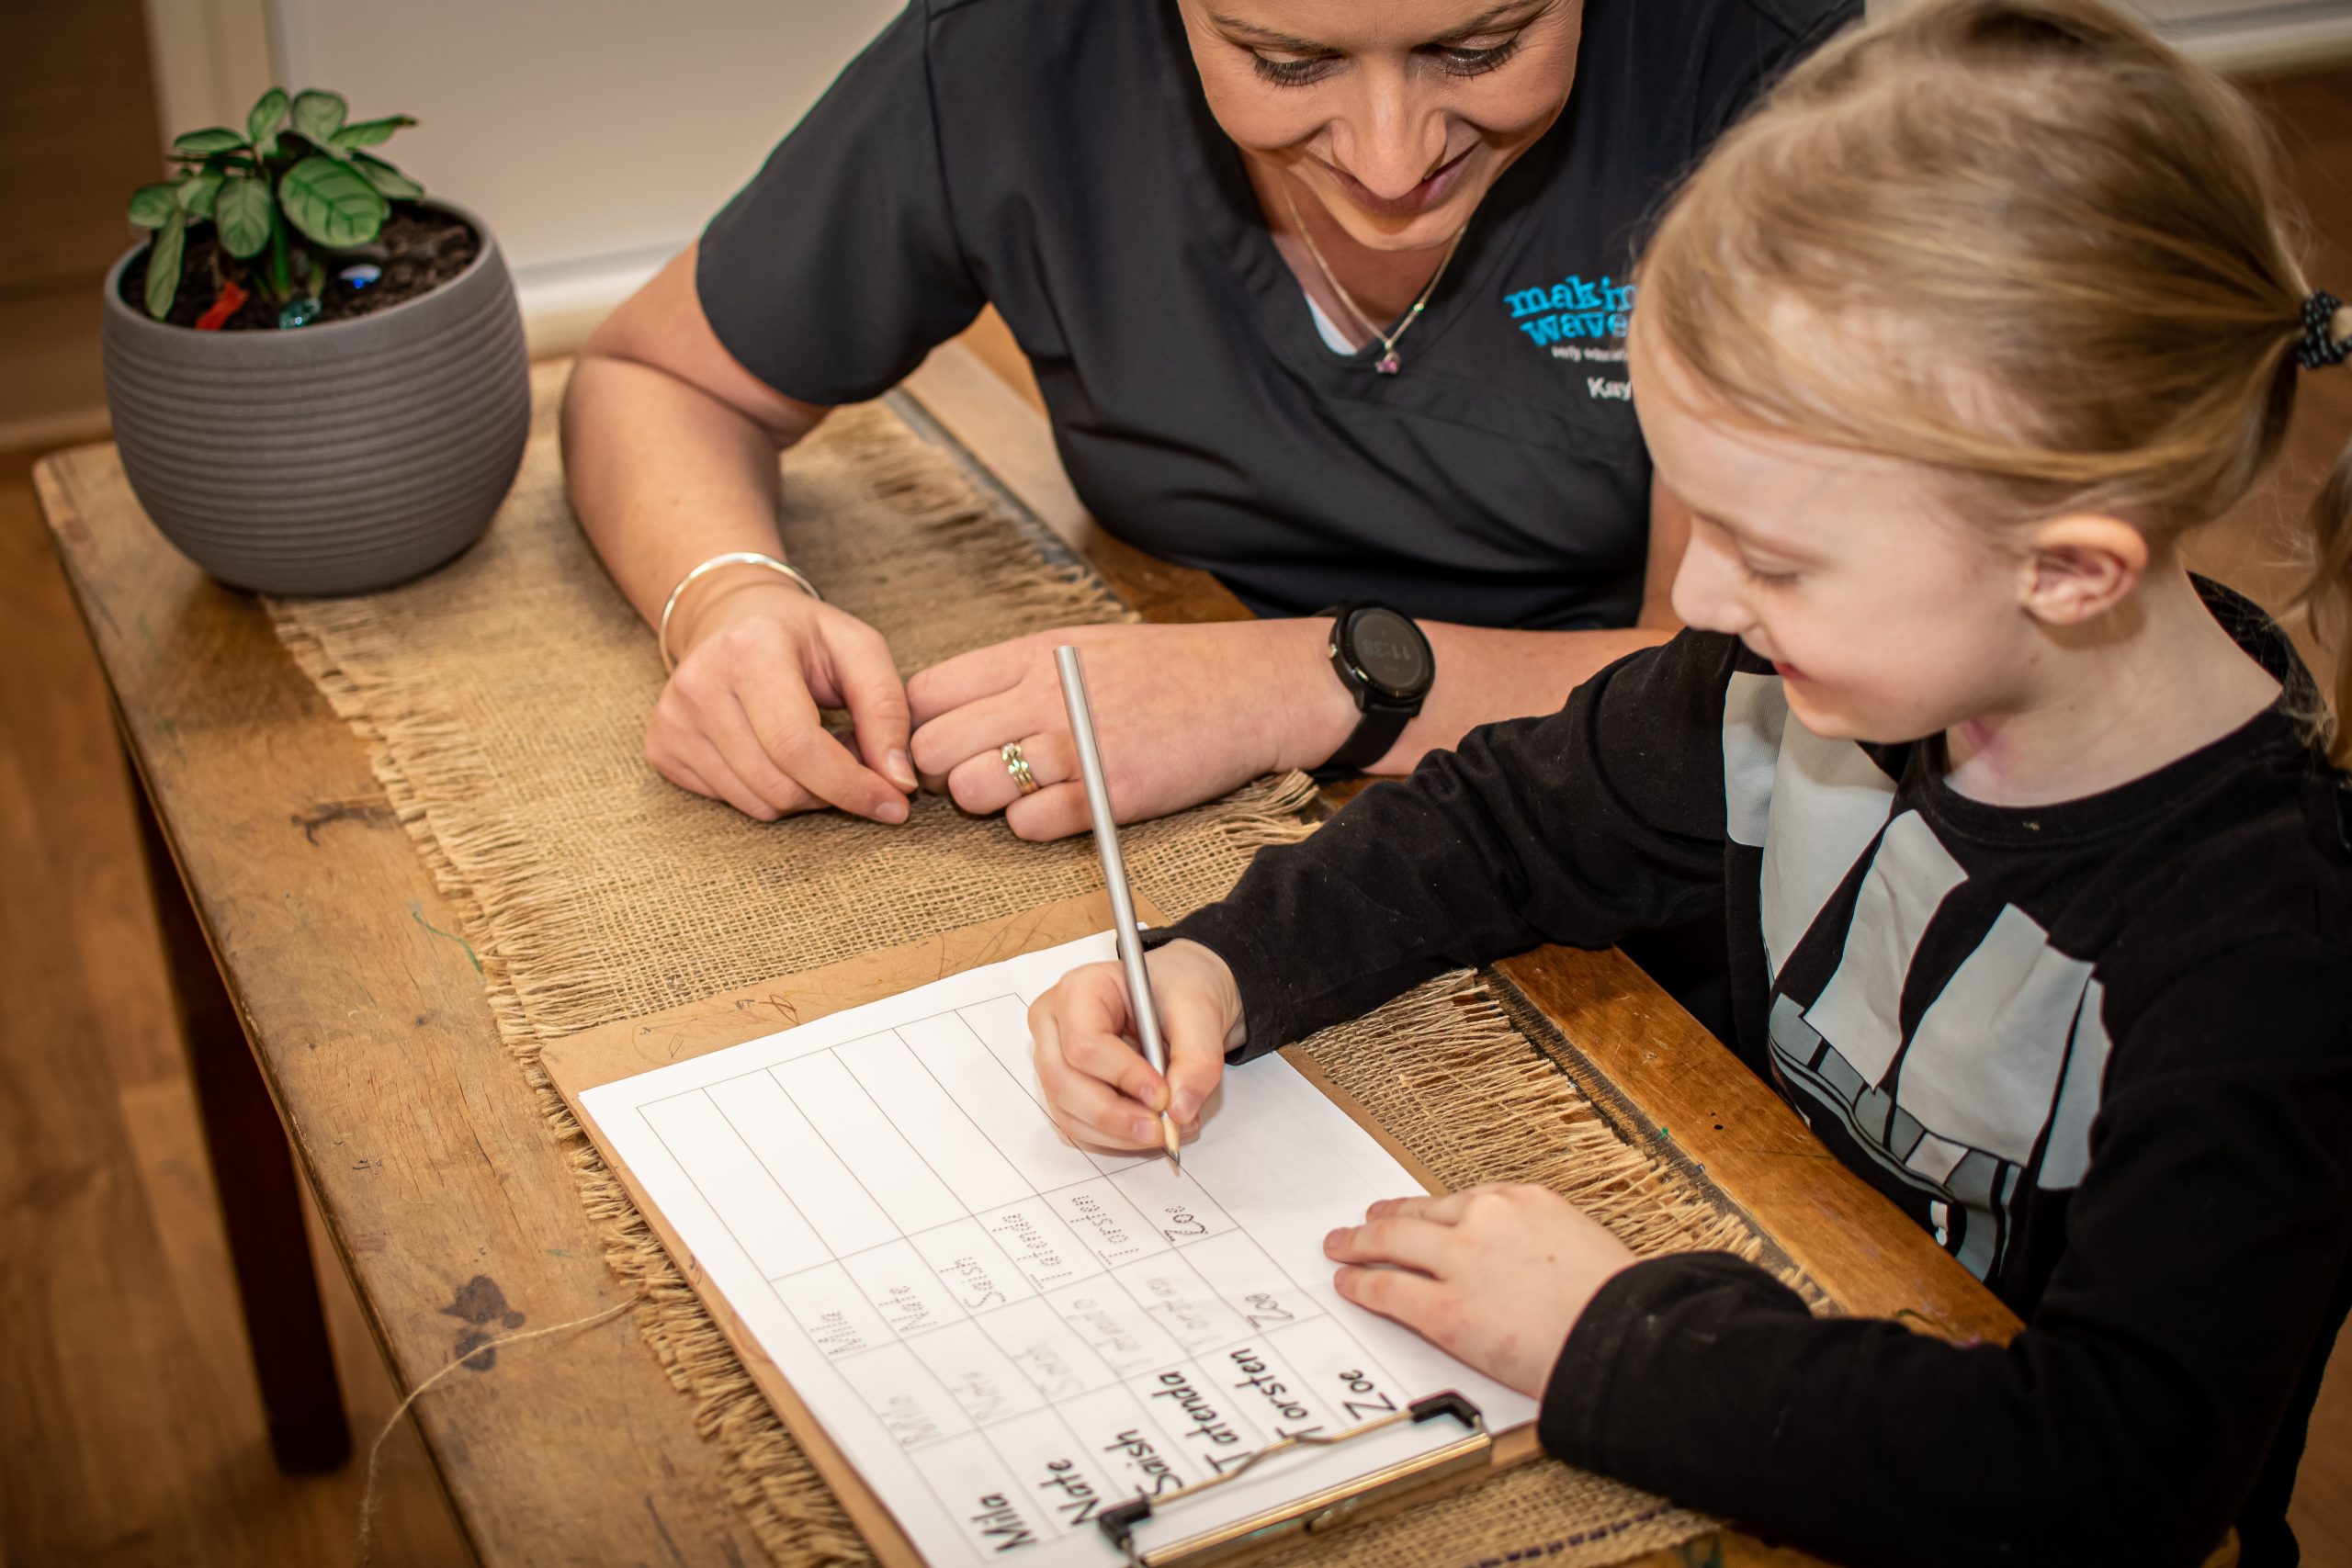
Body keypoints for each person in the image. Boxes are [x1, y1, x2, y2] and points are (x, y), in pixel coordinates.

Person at [1026, 2, 2352, 1562]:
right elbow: (1502, 822)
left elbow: (2108, 1474)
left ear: (2069, 571)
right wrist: (1221, 963)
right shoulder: (1786, 678)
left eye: (1773, 556)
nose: (1702, 599)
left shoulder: (2274, 956)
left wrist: (1609, 1344)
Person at [560, 0, 1854, 842]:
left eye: (1481, 49)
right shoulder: (1016, 57)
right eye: (1286, 64)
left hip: (1597, 821)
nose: (1392, 161)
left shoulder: (1762, 74)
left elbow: (1753, 692)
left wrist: (1307, 685)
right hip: (1176, 716)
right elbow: (661, 381)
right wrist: (727, 600)